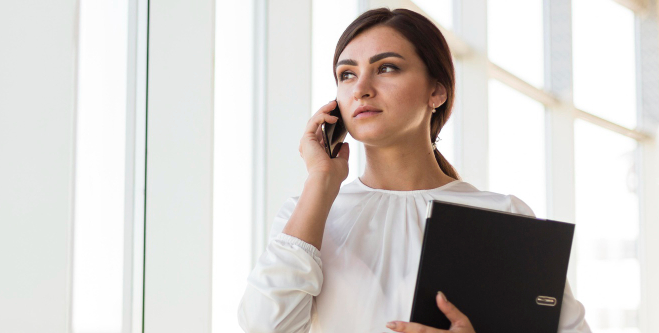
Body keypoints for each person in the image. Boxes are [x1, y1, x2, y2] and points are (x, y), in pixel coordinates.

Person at [237, 7, 591, 333]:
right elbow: (264, 327)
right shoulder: (307, 215)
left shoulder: (505, 216)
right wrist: (321, 181)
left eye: (386, 67)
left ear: (436, 91)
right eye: (347, 74)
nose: (361, 89)